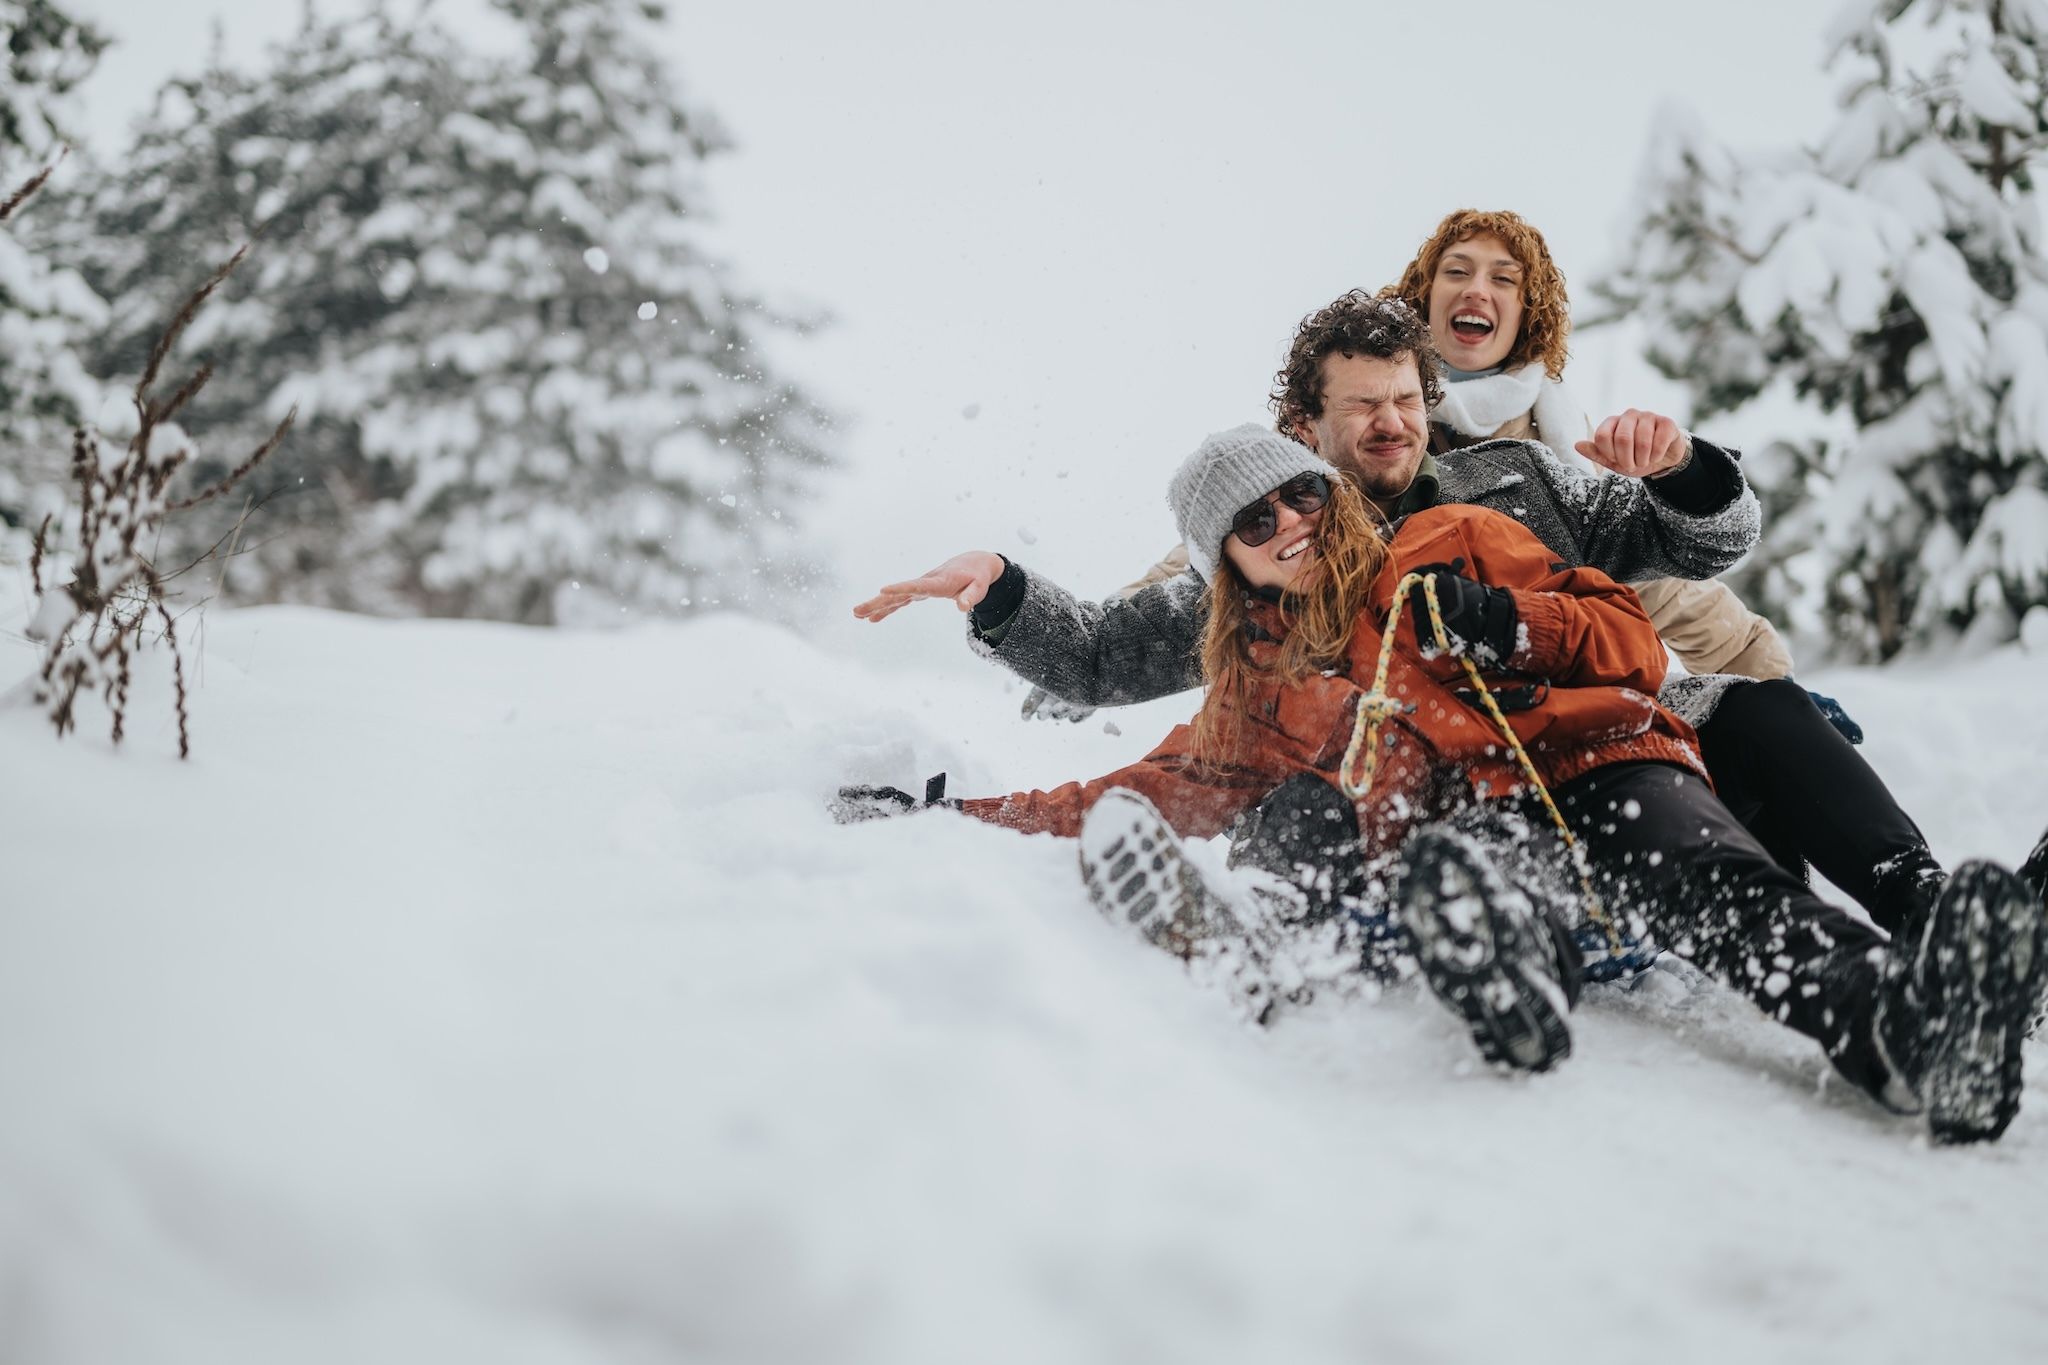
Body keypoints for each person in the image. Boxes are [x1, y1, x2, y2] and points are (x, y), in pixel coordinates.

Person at [838, 421, 2048, 1145]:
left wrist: (1507, 625)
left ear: (1329, 492)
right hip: (1475, 817)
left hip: (1603, 757)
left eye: (1296, 492)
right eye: (1253, 522)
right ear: (1227, 563)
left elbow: (1622, 638)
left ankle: (1899, 1027)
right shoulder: (1261, 676)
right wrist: (954, 819)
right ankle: (1504, 960)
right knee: (1453, 864)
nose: (1287, 521)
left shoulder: (1450, 540)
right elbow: (1151, 782)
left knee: (1710, 883)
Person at [855, 291, 1952, 945]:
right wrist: (999, 588)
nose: (1392, 424)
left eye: (1407, 399)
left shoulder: (1516, 481)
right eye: (1362, 406)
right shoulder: (1266, 560)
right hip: (1484, 794)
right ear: (1304, 423)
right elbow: (1100, 655)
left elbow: (1693, 547)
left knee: (1758, 709)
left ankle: (1933, 917)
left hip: (1623, 738)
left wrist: (1684, 471)